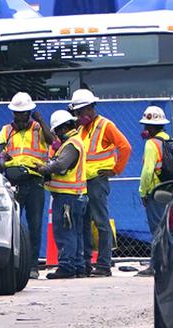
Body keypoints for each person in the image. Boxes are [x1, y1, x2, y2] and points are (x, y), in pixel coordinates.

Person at [70, 88, 131, 277]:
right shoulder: (80, 129)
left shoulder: (105, 125)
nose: (78, 116)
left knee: (101, 222)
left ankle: (104, 264)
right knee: (85, 223)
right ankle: (87, 263)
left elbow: (125, 147)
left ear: (90, 108)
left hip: (97, 180)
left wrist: (116, 170)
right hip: (83, 181)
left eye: (80, 112)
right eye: (76, 113)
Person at [0, 92, 51, 279]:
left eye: (24, 113)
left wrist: (41, 120)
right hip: (14, 182)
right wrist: (3, 160)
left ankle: (33, 266)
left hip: (35, 181)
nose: (20, 117)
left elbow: (52, 141)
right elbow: (0, 153)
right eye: (17, 114)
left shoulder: (38, 129)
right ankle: (15, 265)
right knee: (13, 224)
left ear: (30, 112)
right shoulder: (6, 130)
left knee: (35, 225)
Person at [38, 109, 88, 279]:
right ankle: (78, 266)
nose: (57, 135)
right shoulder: (75, 142)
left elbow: (60, 165)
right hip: (74, 195)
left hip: (67, 196)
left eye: (58, 130)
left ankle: (67, 266)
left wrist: (43, 169)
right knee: (75, 232)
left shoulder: (72, 144)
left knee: (65, 232)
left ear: (64, 127)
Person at [136, 106, 173, 278]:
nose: (144, 130)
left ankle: (156, 266)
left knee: (157, 231)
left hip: (156, 193)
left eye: (145, 126)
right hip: (172, 191)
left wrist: (143, 192)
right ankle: (170, 263)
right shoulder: (170, 140)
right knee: (168, 229)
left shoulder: (152, 144)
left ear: (150, 128)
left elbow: (147, 171)